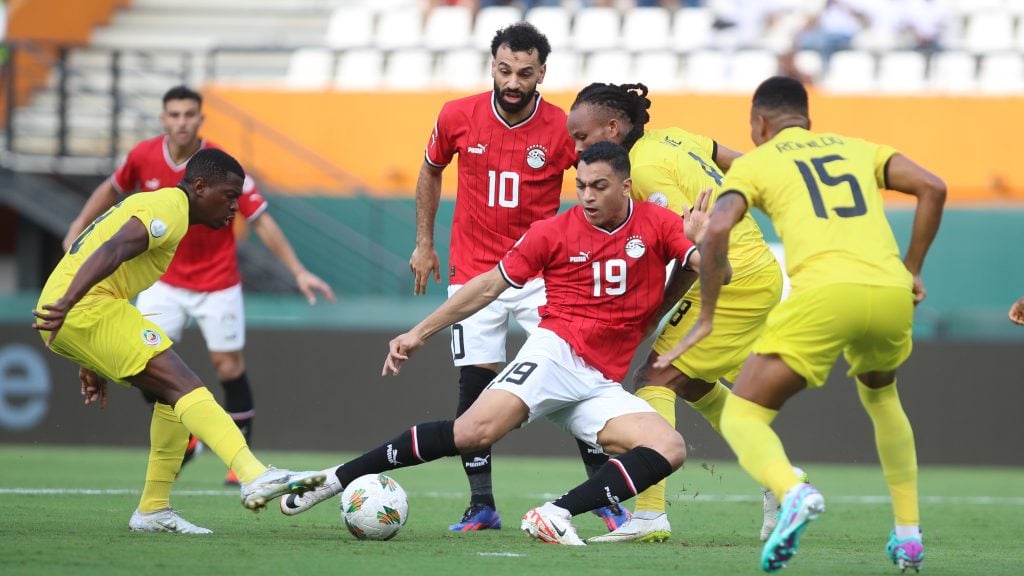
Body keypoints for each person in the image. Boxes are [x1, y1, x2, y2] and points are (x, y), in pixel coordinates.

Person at [279, 141, 726, 545]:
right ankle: (333, 479)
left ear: (626, 186)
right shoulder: (552, 232)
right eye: (582, 185)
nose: (587, 196)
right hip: (556, 355)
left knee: (670, 448)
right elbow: (488, 286)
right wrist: (419, 332)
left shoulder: (658, 223)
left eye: (600, 186)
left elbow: (718, 276)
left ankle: (553, 514)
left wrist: (709, 243)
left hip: (600, 381)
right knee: (471, 433)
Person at [657, 76, 945, 572]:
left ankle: (793, 492)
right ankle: (908, 536)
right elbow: (933, 187)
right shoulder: (858, 148)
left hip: (826, 296)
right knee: (883, 399)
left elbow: (720, 225)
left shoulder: (757, 163)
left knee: (744, 416)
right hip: (891, 292)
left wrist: (706, 317)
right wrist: (913, 268)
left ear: (759, 123)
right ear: (808, 119)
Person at [402, 21, 626, 532]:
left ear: (542, 72)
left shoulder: (562, 129)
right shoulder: (457, 115)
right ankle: (482, 504)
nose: (513, 81)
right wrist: (422, 242)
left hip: (544, 274)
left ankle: (606, 501)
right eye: (505, 70)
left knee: (577, 378)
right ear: (493, 66)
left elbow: (599, 183)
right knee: (474, 391)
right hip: (475, 273)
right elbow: (431, 168)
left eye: (525, 73)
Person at [33, 148, 327, 533]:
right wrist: (69, 304)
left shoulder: (166, 207)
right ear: (200, 187)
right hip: (83, 307)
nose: (234, 207)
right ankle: (253, 473)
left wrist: (89, 358)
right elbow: (114, 249)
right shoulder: (169, 209)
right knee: (184, 383)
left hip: (86, 309)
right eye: (229, 196)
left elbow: (106, 255)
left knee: (173, 398)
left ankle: (153, 509)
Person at [62, 85, 335, 489]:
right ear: (163, 118)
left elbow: (259, 217)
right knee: (144, 363)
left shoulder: (221, 165)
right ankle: (188, 435)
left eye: (189, 114)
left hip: (216, 281)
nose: (182, 122)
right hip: (162, 280)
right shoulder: (143, 156)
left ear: (201, 119)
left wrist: (297, 270)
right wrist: (77, 225)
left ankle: (238, 458)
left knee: (228, 366)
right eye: (174, 114)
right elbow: (111, 188)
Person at [564, 82, 787, 544]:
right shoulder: (674, 137)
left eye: (583, 137)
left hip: (731, 277)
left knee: (655, 378)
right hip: (754, 269)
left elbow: (695, 244)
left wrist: (656, 313)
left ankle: (649, 515)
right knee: (695, 383)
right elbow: (743, 165)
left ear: (613, 126)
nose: (577, 148)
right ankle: (779, 478)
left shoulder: (643, 171)